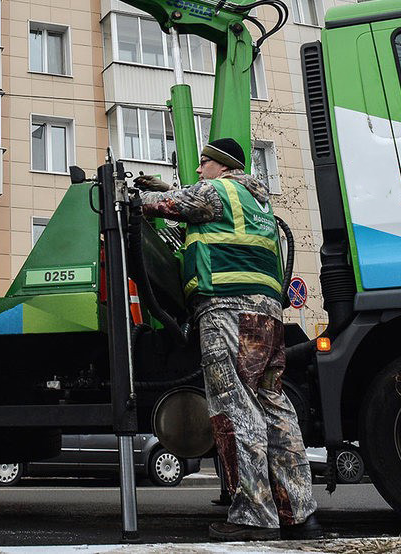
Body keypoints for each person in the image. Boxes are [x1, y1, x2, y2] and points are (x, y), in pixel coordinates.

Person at [135, 137, 322, 542]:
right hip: (266, 315)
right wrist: (169, 188)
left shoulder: (217, 191)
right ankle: (299, 512)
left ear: (221, 166)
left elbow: (164, 207)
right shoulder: (259, 204)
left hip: (227, 309)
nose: (199, 169)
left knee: (235, 408)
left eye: (203, 162)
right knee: (276, 409)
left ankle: (253, 515)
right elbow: (192, 201)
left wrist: (139, 197)